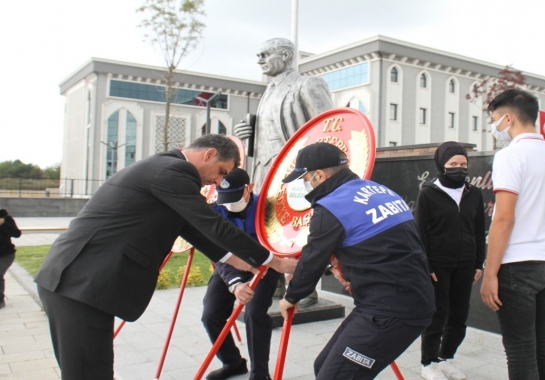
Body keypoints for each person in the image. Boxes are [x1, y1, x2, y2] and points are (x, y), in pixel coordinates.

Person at [34, 134, 296, 380]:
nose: (218, 183)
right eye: (221, 172)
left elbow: (191, 229)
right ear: (209, 154)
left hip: (82, 282)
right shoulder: (174, 171)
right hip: (79, 282)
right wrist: (273, 261)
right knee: (88, 372)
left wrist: (238, 261)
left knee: (93, 368)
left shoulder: (167, 170)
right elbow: (210, 224)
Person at [278, 142, 435, 379]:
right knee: (322, 366)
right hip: (399, 299)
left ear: (319, 175)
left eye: (305, 178)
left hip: (391, 310)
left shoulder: (331, 205)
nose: (304, 184)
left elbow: (313, 258)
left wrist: (291, 297)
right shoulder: (380, 190)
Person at [480, 89, 545, 380]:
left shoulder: (510, 156)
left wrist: (490, 272)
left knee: (520, 348)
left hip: (519, 266)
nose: (495, 127)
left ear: (507, 118)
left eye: (495, 120)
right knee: (543, 342)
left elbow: (504, 217)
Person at [234, 37, 333, 306]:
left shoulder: (307, 84)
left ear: (287, 56)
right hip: (265, 169)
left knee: (299, 228)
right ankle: (273, 285)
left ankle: (303, 289)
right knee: (266, 225)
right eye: (258, 55)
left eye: (265, 54)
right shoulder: (268, 90)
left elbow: (328, 127)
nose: (259, 60)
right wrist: (249, 135)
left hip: (296, 171)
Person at [415, 142, 485, 380]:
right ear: (442, 165)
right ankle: (429, 363)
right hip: (438, 266)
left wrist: (479, 263)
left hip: (465, 265)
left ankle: (447, 358)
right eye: (453, 164)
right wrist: (428, 266)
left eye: (463, 164)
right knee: (438, 315)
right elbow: (419, 234)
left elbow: (478, 231)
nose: (459, 168)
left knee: (458, 315)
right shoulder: (428, 194)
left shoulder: (473, 194)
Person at [201, 168, 280, 380]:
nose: (229, 203)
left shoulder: (268, 206)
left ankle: (260, 374)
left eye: (235, 196)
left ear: (250, 188)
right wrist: (234, 283)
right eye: (224, 197)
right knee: (211, 315)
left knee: (254, 314)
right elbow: (215, 249)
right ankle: (233, 363)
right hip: (230, 264)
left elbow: (281, 241)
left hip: (264, 265)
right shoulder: (216, 209)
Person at [0, 208, 21, 309]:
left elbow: (17, 234)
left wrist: (3, 223)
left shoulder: (6, 218)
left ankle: (0, 300)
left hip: (6, 254)